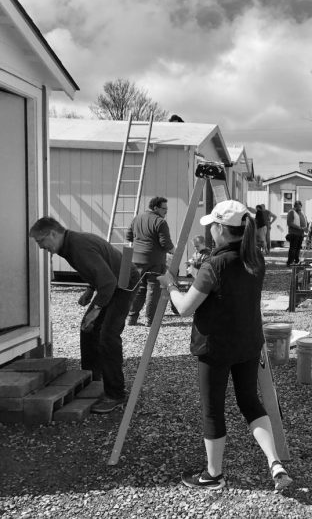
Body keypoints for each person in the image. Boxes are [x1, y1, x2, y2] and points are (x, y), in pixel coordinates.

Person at [157, 200, 292, 492]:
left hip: (216, 347)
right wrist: (198, 273)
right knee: (249, 401)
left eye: (212, 228)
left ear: (220, 229)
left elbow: (184, 308)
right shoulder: (255, 258)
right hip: (248, 343)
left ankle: (213, 475)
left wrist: (170, 285)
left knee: (213, 410)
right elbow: (227, 286)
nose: (210, 233)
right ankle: (274, 462)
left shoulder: (214, 264)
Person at [29, 217, 139, 414]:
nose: (40, 247)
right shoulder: (70, 244)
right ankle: (92, 380)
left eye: (40, 241)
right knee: (88, 330)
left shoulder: (78, 246)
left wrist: (95, 311)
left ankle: (116, 394)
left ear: (53, 234)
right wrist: (90, 290)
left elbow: (107, 283)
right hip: (114, 280)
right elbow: (99, 269)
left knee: (107, 336)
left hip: (124, 282)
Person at [126, 196, 175, 326]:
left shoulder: (137, 218)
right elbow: (165, 244)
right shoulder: (160, 222)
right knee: (153, 289)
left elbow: (129, 236)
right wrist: (175, 252)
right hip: (154, 260)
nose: (166, 211)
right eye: (164, 208)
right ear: (155, 208)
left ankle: (132, 318)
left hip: (136, 259)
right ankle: (150, 320)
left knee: (139, 288)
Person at [286, 200, 307, 266]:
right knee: (293, 248)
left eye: (300, 206)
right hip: (293, 233)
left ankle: (296, 260)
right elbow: (289, 223)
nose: (300, 208)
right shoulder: (291, 212)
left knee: (298, 248)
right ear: (295, 206)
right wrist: (299, 227)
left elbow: (305, 221)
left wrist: (306, 229)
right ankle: (290, 262)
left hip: (300, 234)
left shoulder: (301, 213)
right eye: (298, 206)